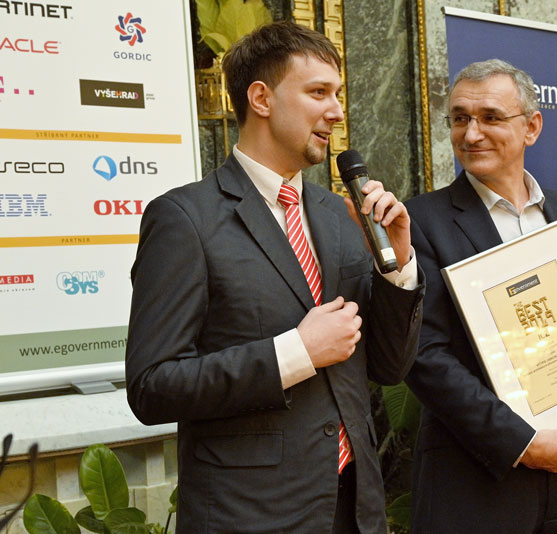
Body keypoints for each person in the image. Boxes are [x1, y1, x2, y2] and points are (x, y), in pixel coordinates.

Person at [124, 21, 424, 534]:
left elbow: (390, 367)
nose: (337, 111)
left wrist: (396, 266)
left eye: (338, 94)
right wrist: (295, 353)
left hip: (355, 511)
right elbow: (153, 387)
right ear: (261, 98)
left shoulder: (339, 214)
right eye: (318, 93)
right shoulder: (184, 219)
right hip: (249, 515)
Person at [404, 59, 557, 534]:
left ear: (531, 127)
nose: (471, 134)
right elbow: (424, 355)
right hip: (480, 487)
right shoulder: (420, 221)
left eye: (490, 117)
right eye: (460, 118)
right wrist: (521, 442)